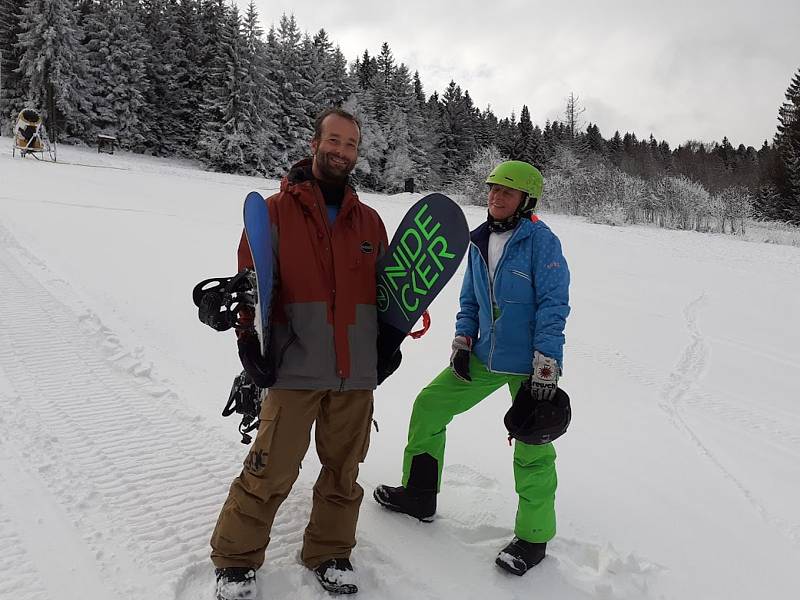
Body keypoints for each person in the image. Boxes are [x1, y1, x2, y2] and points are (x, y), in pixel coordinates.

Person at [211, 108, 399, 599]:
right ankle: (235, 559)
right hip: (295, 367)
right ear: (314, 143)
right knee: (270, 469)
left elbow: (387, 296)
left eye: (351, 144)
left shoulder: (370, 221)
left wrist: (389, 344)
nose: (341, 151)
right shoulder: (274, 212)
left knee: (344, 472)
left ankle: (330, 552)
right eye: (333, 141)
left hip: (355, 372)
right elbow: (252, 288)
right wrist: (247, 343)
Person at [373, 160, 571, 576]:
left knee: (533, 447)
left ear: (526, 200)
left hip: (528, 366)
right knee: (429, 405)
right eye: (493, 189)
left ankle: (533, 539)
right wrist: (463, 340)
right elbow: (469, 299)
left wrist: (546, 366)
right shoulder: (478, 240)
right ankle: (420, 494)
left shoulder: (542, 243)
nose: (496, 197)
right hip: (483, 356)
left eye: (507, 192)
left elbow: (554, 305)